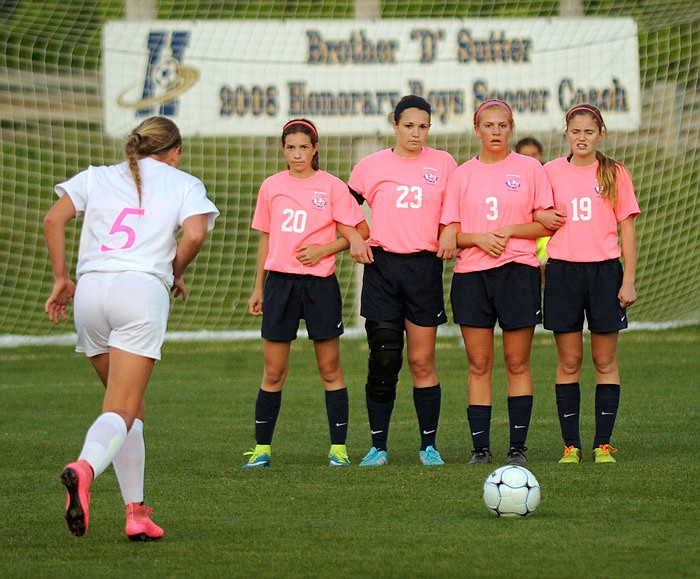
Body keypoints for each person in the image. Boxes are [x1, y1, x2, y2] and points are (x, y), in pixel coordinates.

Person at [44, 116, 219, 539]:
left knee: (130, 410)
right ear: (174, 151)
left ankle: (136, 513)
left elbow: (53, 219)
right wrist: (173, 269)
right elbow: (195, 234)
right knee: (120, 409)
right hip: (139, 293)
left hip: (90, 293)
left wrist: (61, 278)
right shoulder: (184, 183)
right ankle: (83, 468)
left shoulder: (98, 176)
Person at [244, 118, 371, 469]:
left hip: (319, 285)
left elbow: (359, 232)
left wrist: (323, 250)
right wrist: (259, 287)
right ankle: (262, 449)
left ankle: (339, 449)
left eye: (303, 147)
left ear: (315, 149)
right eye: (290, 147)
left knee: (330, 368)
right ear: (283, 150)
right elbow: (266, 238)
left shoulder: (331, 186)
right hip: (280, 285)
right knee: (273, 371)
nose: (297, 154)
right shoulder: (271, 187)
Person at [438, 100, 558, 465]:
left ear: (511, 127)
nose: (495, 132)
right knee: (479, 364)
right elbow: (448, 237)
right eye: (488, 125)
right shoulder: (461, 175)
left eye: (502, 125)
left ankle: (517, 448)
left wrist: (508, 231)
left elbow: (547, 223)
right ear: (477, 129)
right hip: (472, 276)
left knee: (517, 362)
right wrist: (478, 239)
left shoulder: (530, 169)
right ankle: (481, 449)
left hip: (518, 273)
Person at [347, 95, 457, 467]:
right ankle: (378, 446)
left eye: (423, 126)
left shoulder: (444, 164)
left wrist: (448, 231)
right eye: (408, 125)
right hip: (382, 269)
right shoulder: (370, 166)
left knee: (422, 361)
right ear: (394, 125)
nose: (416, 133)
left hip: (424, 269)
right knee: (384, 359)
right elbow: (344, 208)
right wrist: (356, 236)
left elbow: (456, 210)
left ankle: (429, 446)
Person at [539, 104, 640, 465]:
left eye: (589, 132)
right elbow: (536, 214)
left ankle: (602, 444)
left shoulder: (614, 173)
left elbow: (627, 229)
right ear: (566, 132)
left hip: (604, 273)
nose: (582, 138)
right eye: (575, 131)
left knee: (604, 359)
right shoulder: (549, 172)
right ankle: (571, 446)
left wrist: (628, 279)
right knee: (569, 361)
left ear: (601, 134)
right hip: (563, 272)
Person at [515, 137, 549, 284]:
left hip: (547, 241)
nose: (531, 159)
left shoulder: (549, 177)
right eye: (526, 155)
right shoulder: (513, 181)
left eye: (534, 155)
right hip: (521, 246)